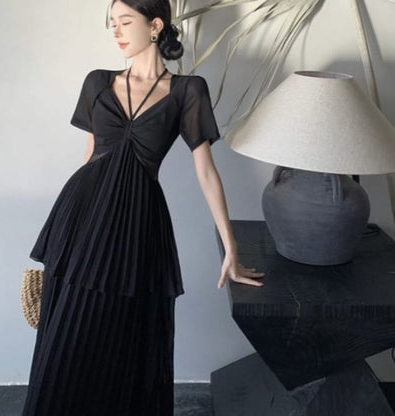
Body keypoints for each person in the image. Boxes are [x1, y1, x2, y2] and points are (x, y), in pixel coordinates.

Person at [21, 0, 265, 414]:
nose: (115, 31)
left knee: (124, 334)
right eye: (112, 23)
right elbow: (89, 159)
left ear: (154, 25)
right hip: (82, 219)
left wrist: (231, 248)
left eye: (125, 22)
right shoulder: (97, 82)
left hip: (137, 223)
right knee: (66, 335)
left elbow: (206, 172)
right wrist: (64, 230)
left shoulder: (188, 90)